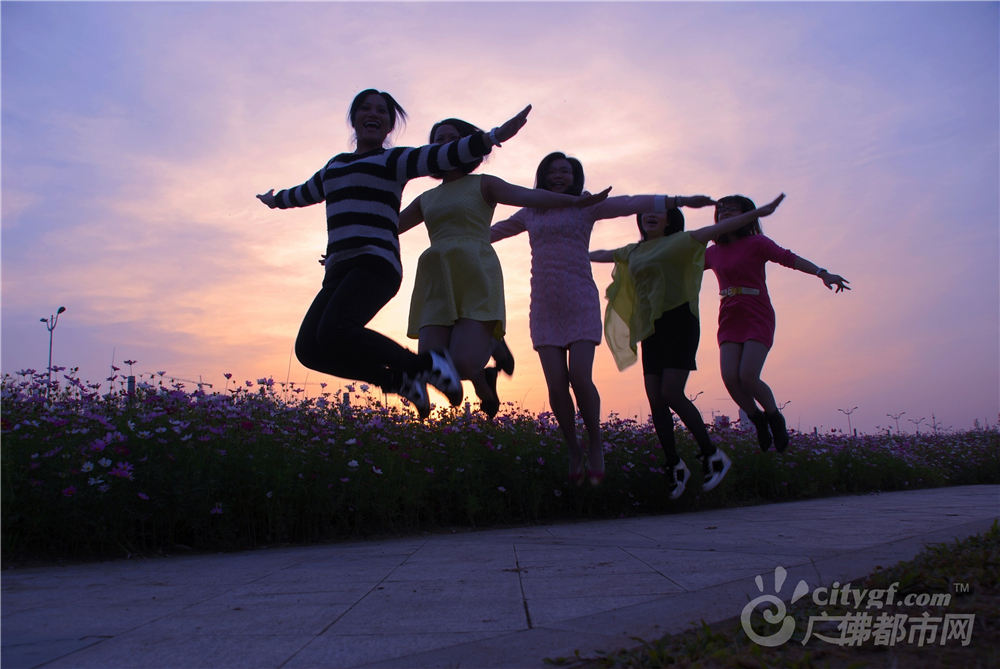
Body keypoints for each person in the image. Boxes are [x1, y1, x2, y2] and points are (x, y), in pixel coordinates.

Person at [256, 89, 532, 419]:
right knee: (310, 349)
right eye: (365, 108)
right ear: (354, 119)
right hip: (339, 269)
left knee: (336, 329)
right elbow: (304, 193)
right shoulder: (334, 167)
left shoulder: (393, 161)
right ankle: (398, 379)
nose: (373, 114)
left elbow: (441, 155)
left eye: (382, 112)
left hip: (376, 263)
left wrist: (492, 137)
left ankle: (426, 366)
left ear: (389, 127)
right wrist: (276, 200)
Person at [490, 151, 714, 485]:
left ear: (574, 176)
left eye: (565, 171)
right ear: (543, 176)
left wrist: (677, 200)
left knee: (580, 377)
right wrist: (452, 236)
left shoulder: (587, 205)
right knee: (556, 384)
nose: (559, 176)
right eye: (552, 171)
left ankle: (595, 442)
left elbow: (628, 202)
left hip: (579, 298)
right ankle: (573, 448)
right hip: (545, 305)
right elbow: (491, 232)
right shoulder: (531, 211)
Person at [398, 120, 611, 419]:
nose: (445, 144)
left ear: (466, 145)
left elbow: (529, 196)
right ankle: (487, 371)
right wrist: (346, 245)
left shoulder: (484, 184)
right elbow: (389, 226)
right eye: (438, 140)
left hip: (475, 273)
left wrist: (575, 201)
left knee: (461, 363)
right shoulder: (426, 199)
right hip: (436, 277)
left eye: (452, 138)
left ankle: (489, 353)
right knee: (430, 361)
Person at [591, 194, 786, 499]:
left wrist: (760, 212)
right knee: (656, 400)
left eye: (656, 212)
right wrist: (571, 251)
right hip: (651, 327)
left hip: (680, 322)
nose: (648, 216)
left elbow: (726, 226)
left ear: (670, 218)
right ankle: (674, 465)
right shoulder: (634, 250)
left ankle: (712, 455)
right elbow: (603, 254)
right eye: (644, 213)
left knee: (671, 392)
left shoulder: (686, 241)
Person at [704, 195, 849, 452]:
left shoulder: (757, 243)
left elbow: (788, 258)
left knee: (748, 375)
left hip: (756, 311)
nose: (724, 212)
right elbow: (680, 267)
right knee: (729, 377)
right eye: (721, 209)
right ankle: (757, 419)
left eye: (731, 209)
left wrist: (822, 273)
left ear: (747, 215)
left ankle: (774, 417)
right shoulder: (712, 252)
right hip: (728, 313)